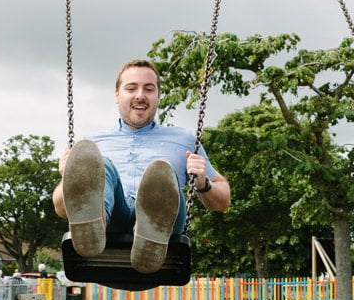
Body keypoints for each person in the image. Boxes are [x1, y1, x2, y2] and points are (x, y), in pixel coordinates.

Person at [52, 59, 231, 274]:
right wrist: (69, 177)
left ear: (158, 96)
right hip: (112, 221)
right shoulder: (91, 144)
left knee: (161, 174)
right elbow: (61, 209)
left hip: (165, 229)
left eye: (149, 89)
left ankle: (151, 235)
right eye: (131, 88)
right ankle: (92, 228)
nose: (140, 95)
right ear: (117, 94)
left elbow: (223, 201)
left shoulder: (184, 140)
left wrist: (204, 183)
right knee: (100, 164)